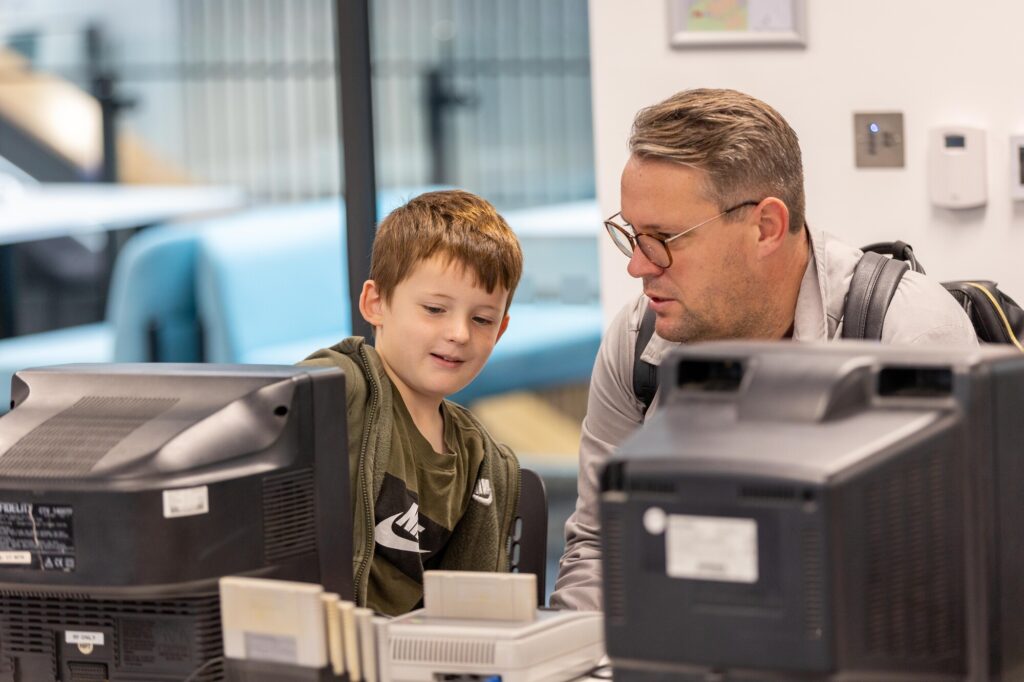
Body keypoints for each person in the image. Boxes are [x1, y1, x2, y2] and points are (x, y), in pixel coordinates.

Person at [549, 88, 978, 612]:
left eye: (662, 238)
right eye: (631, 235)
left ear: (765, 227)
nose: (637, 266)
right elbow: (601, 548)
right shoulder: (639, 340)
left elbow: (950, 587)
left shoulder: (907, 336)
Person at [301, 189, 523, 616]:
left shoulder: (485, 460)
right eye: (435, 309)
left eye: (482, 319)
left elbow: (475, 620)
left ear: (501, 330)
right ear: (376, 303)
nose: (459, 333)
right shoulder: (338, 388)